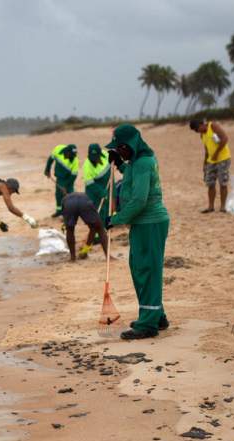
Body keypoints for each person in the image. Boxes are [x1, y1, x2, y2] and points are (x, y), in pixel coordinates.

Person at [106, 124, 171, 339]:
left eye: (119, 149)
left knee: (147, 270)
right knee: (139, 267)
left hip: (150, 222)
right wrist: (120, 165)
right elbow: (132, 178)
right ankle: (156, 315)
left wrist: (116, 220)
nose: (118, 152)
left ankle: (148, 324)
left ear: (129, 145)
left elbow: (139, 200)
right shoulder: (136, 161)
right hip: (142, 224)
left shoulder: (143, 162)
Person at [189, 119, 231, 213]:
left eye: (197, 128)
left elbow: (225, 139)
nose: (197, 131)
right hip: (211, 161)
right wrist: (205, 164)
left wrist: (216, 153)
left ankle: (223, 207)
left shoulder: (213, 126)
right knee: (210, 184)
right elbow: (206, 150)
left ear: (201, 124)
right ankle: (210, 207)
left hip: (223, 159)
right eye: (195, 131)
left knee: (222, 182)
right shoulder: (202, 135)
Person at [61, 192, 109, 262]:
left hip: (69, 205)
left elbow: (65, 220)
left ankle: (73, 257)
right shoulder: (84, 196)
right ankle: (108, 256)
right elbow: (94, 229)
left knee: (70, 229)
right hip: (84, 202)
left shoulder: (64, 200)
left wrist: (66, 224)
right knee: (99, 228)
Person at [82, 143, 113, 242]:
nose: (93, 159)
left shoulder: (107, 155)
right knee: (95, 212)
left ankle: (103, 233)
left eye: (96, 157)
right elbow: (90, 184)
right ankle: (95, 236)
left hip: (107, 184)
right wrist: (101, 192)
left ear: (100, 154)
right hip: (93, 190)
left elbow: (116, 158)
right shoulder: (87, 166)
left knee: (104, 210)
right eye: (92, 157)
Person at [43, 144, 79, 217]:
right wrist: (47, 170)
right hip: (59, 177)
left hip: (69, 178)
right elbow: (50, 159)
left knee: (69, 194)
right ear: (67, 152)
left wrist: (66, 186)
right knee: (58, 194)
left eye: (74, 155)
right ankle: (59, 211)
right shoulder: (58, 149)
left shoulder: (75, 160)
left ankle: (70, 213)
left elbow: (74, 176)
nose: (73, 157)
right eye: (72, 155)